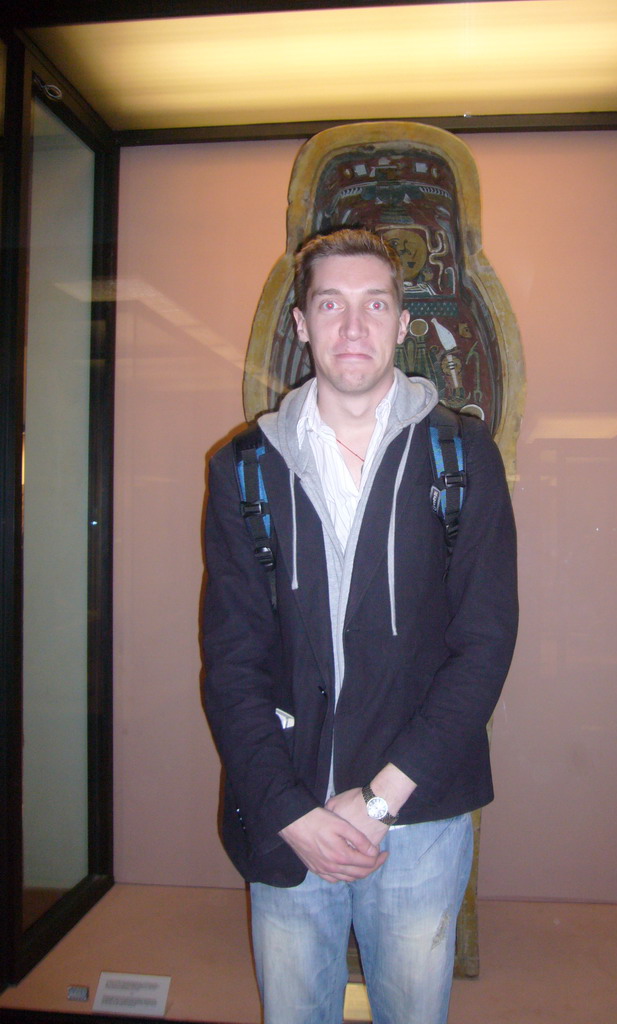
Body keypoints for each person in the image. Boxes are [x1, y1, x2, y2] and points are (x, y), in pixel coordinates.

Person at [203, 228, 518, 1024]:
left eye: (374, 304)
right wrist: (291, 811)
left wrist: (376, 802)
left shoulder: (461, 456)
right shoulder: (244, 469)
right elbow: (232, 664)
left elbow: (484, 645)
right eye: (331, 305)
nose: (353, 328)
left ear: (402, 322)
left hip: (417, 817)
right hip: (290, 816)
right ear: (302, 325)